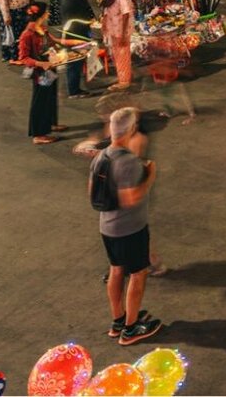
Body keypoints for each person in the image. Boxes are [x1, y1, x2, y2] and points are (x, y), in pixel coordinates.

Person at [96, 107, 163, 347]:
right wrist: (150, 176)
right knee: (138, 273)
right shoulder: (128, 162)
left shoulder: (102, 156)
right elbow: (131, 198)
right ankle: (132, 328)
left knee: (116, 270)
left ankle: (118, 321)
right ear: (131, 130)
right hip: (130, 227)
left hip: (107, 225)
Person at [13, 1, 74, 143]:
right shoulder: (27, 35)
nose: (48, 14)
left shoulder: (42, 29)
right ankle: (38, 134)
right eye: (46, 12)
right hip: (40, 73)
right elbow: (23, 58)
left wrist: (76, 44)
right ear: (41, 15)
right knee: (41, 100)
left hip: (50, 69)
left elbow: (55, 42)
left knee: (51, 96)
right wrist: (42, 63)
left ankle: (51, 123)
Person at [59, 0, 99, 99]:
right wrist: (90, 22)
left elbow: (87, 9)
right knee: (74, 64)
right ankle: (74, 91)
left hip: (82, 33)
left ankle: (75, 86)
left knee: (78, 62)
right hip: (74, 36)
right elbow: (75, 20)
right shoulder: (68, 0)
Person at [99, 0, 137, 92]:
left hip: (121, 31)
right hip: (113, 29)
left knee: (122, 55)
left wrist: (123, 33)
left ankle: (124, 81)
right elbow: (106, 11)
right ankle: (122, 77)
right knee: (116, 55)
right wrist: (104, 25)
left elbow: (126, 14)